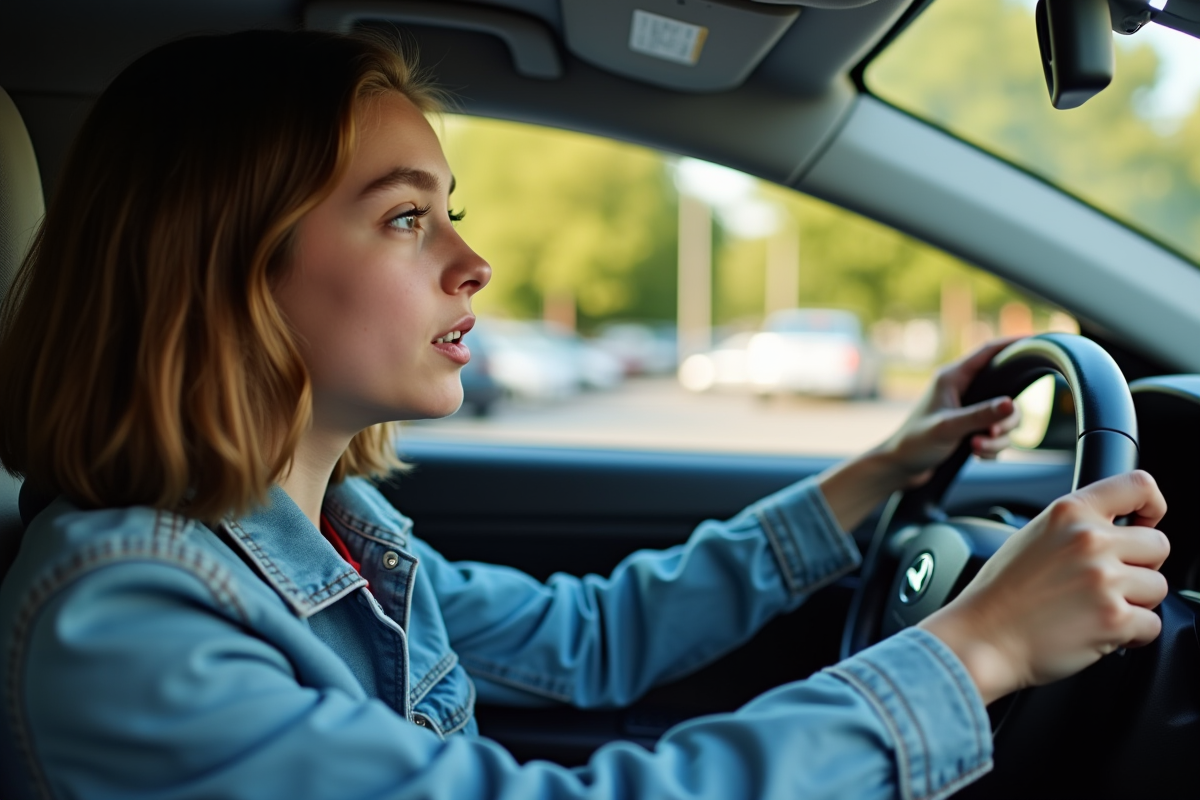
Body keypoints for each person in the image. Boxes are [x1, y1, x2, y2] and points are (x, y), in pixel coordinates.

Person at [0, 30, 1169, 800]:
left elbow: (595, 635)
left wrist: (878, 469)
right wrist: (980, 646)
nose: (476, 262)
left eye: (449, 212)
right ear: (226, 262)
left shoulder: (331, 536)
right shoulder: (127, 618)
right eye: (408, 218)